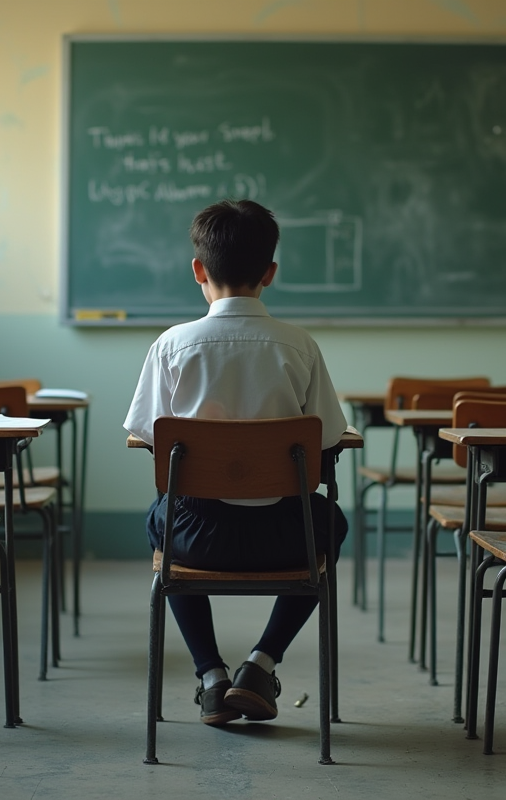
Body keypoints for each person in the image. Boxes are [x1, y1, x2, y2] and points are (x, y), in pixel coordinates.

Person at [123, 198, 349, 726]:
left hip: (196, 537)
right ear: (270, 273)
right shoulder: (299, 346)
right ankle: (261, 663)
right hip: (288, 536)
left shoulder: (172, 346)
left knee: (160, 519)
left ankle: (210, 676)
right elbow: (330, 439)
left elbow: (149, 435)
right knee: (332, 522)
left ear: (198, 270)